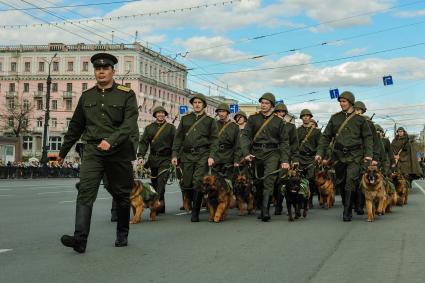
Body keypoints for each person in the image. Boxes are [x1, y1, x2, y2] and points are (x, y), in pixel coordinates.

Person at [58, 52, 139, 253]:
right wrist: (62, 153)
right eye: (98, 69)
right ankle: (80, 240)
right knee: (85, 191)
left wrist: (111, 141)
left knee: (121, 194)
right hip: (93, 150)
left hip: (118, 150)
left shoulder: (126, 94)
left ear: (113, 71)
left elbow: (129, 123)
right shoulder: (87, 96)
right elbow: (76, 126)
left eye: (105, 68)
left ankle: (122, 233)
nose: (101, 72)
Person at [315, 91, 373, 222]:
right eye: (340, 102)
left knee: (350, 181)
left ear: (351, 102)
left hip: (355, 155)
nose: (341, 104)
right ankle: (348, 203)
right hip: (339, 155)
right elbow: (325, 137)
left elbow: (368, 138)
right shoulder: (335, 118)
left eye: (344, 101)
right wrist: (320, 153)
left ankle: (347, 211)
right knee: (341, 182)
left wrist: (368, 156)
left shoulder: (360, 120)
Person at [240, 92, 290, 222]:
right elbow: (245, 136)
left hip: (272, 153)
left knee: (269, 179)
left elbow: (284, 141)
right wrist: (246, 153)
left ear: (272, 106)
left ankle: (265, 211)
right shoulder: (253, 119)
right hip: (256, 153)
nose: (263, 105)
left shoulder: (279, 122)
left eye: (266, 103)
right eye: (262, 103)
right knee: (258, 182)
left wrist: (285, 160)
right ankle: (262, 207)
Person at [171, 93, 218, 222]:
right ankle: (192, 203)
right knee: (186, 182)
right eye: (195, 102)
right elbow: (178, 137)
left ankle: (195, 212)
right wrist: (175, 154)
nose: (197, 104)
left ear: (204, 105)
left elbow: (214, 140)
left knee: (197, 181)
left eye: (199, 102)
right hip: (187, 155)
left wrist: (211, 156)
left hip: (202, 154)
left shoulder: (210, 121)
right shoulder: (185, 119)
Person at [138, 106, 176, 214]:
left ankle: (156, 206)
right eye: (158, 113)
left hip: (166, 159)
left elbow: (176, 144)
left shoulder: (171, 128)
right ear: (155, 115)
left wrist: (174, 156)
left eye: (162, 113)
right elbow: (143, 143)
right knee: (154, 184)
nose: (161, 115)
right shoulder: (149, 128)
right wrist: (141, 156)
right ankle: (161, 205)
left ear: (165, 114)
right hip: (153, 159)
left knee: (161, 183)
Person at [273, 103, 299, 215]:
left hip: (285, 157)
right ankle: (273, 201)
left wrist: (295, 158)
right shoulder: (270, 124)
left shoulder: (290, 126)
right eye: (278, 112)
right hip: (271, 156)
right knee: (271, 182)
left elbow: (294, 144)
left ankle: (279, 205)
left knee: (281, 182)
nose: (280, 114)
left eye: (282, 112)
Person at [297, 109, 322, 209]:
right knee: (300, 180)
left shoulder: (316, 132)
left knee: (310, 179)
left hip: (312, 158)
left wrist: (319, 155)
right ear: (301, 118)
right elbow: (294, 145)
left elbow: (321, 145)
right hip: (300, 157)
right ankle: (302, 200)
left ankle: (309, 199)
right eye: (304, 116)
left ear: (310, 117)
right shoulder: (297, 131)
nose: (306, 117)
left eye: (308, 116)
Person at [213, 103, 240, 181]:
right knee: (215, 183)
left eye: (223, 111)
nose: (221, 114)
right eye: (219, 111)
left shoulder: (234, 126)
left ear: (227, 112)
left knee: (227, 182)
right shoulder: (214, 124)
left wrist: (236, 160)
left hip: (229, 157)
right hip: (216, 156)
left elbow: (237, 145)